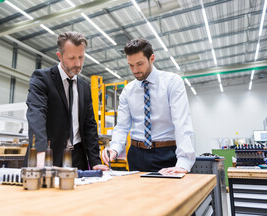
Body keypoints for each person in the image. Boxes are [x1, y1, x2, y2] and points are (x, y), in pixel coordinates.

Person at [102, 39, 195, 174]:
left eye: (140, 64)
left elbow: (182, 123)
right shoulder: (128, 91)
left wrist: (184, 163)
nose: (135, 70)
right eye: (131, 65)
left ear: (152, 58)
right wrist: (114, 148)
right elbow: (122, 126)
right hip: (136, 155)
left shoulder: (172, 82)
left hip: (167, 154)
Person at [26, 31, 108, 171]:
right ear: (59, 56)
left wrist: (94, 161)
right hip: (48, 155)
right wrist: (40, 152)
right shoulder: (42, 79)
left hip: (77, 158)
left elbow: (89, 126)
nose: (78, 63)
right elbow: (36, 114)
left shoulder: (85, 87)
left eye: (81, 57)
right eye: (72, 58)